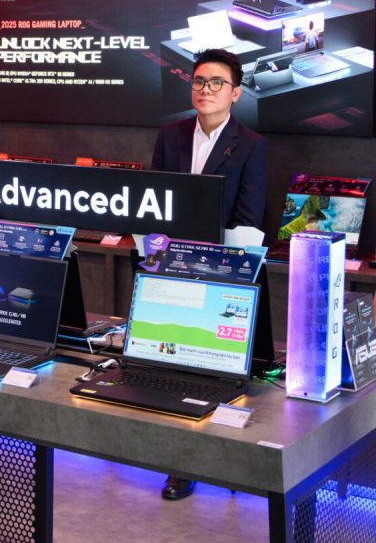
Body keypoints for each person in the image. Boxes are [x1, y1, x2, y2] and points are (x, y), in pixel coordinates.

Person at [151, 48, 267, 501]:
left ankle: (208, 462)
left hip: (221, 278)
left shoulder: (251, 144)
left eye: (217, 83)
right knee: (170, 373)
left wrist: (205, 265)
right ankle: (176, 463)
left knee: (209, 379)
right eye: (199, 81)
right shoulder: (170, 136)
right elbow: (154, 201)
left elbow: (248, 219)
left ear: (235, 93)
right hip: (171, 272)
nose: (205, 89)